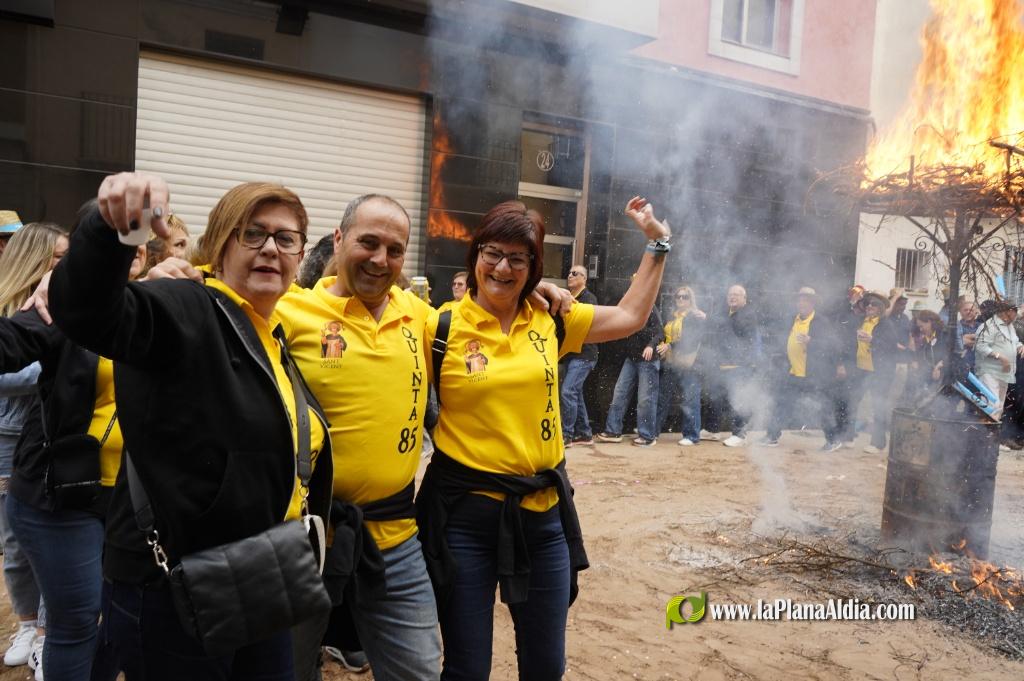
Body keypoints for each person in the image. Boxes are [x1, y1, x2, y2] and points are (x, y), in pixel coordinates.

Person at [45, 172, 334, 680]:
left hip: (258, 569)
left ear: (299, 256)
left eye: (286, 238)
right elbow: (90, 312)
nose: (270, 248)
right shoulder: (187, 306)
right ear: (220, 246)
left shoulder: (272, 331)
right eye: (253, 233)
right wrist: (114, 229)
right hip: (172, 586)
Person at [417, 195, 670, 681]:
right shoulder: (440, 325)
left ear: (533, 266)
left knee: (545, 666)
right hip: (463, 519)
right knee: (467, 668)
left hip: (543, 516)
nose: (503, 267)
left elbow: (630, 316)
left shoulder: (551, 319)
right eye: (492, 252)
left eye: (520, 257)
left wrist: (657, 243)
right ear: (475, 257)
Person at [0, 220, 148, 681]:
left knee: (118, 614)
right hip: (61, 496)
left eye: (139, 250)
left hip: (131, 499)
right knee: (78, 621)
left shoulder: (159, 307)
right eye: (117, 247)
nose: (131, 256)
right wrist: (60, 293)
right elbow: (10, 346)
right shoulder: (65, 309)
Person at [0, 222, 67, 672]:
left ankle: (47, 632)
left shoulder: (65, 308)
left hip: (50, 442)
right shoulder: (10, 308)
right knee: (14, 544)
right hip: (6, 446)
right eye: (59, 257)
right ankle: (26, 623)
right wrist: (43, 359)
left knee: (50, 542)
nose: (68, 266)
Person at [759, 287, 842, 452]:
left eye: (806, 300)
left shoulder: (821, 322)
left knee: (822, 407)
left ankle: (833, 440)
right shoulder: (793, 320)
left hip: (814, 374)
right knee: (781, 404)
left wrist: (812, 341)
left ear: (813, 303)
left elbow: (834, 347)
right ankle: (772, 436)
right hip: (793, 372)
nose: (801, 303)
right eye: (800, 300)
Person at [595, 298, 663, 447]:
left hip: (648, 359)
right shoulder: (631, 309)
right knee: (620, 392)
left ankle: (647, 436)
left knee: (646, 398)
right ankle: (613, 431)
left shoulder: (649, 307)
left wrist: (650, 345)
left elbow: (660, 332)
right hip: (631, 358)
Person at [844, 290, 906, 454]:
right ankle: (849, 437)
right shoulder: (861, 321)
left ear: (880, 308)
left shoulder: (886, 324)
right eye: (868, 304)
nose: (870, 307)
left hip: (879, 372)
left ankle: (878, 443)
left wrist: (872, 340)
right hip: (860, 369)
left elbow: (891, 347)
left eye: (873, 305)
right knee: (853, 401)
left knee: (878, 406)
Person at [705, 284, 760, 447]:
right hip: (723, 365)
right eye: (730, 294)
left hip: (740, 366)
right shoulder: (727, 313)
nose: (733, 297)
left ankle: (740, 434)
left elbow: (736, 332)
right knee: (716, 398)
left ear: (744, 299)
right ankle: (713, 430)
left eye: (737, 294)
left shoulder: (747, 315)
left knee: (739, 401)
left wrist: (709, 318)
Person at [655, 285, 705, 447]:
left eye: (685, 297)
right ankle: (652, 431)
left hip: (689, 363)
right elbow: (664, 334)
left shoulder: (695, 316)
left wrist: (669, 346)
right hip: (671, 362)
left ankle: (691, 435)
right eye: (678, 296)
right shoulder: (672, 316)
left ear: (691, 299)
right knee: (663, 397)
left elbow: (691, 340)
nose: (681, 299)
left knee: (690, 399)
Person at [559, 265, 598, 446]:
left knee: (568, 391)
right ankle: (584, 433)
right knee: (575, 393)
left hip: (584, 354)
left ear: (584, 278)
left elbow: (586, 325)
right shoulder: (568, 298)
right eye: (569, 272)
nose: (570, 275)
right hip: (570, 353)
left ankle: (567, 434)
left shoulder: (589, 299)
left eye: (575, 273)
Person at [974, 299, 1024, 420]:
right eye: (1015, 312)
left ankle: (992, 434)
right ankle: (983, 434)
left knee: (1000, 406)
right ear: (1009, 311)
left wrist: (1020, 346)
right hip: (989, 372)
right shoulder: (989, 326)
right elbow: (980, 346)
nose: (1017, 315)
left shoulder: (1009, 326)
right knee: (992, 405)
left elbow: (1014, 341)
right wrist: (1000, 357)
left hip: (1004, 373)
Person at [906, 310, 947, 403]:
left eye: (921, 326)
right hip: (931, 379)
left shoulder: (944, 334)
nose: (920, 329)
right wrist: (915, 361)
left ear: (929, 322)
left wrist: (940, 366)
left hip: (946, 379)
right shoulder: (926, 339)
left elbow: (951, 353)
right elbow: (923, 357)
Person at [955, 299, 981, 371]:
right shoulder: (956, 327)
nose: (968, 312)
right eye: (965, 310)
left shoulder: (981, 326)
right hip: (963, 367)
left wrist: (965, 339)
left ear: (976, 312)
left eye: (971, 310)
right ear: (960, 312)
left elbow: (986, 342)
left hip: (980, 367)